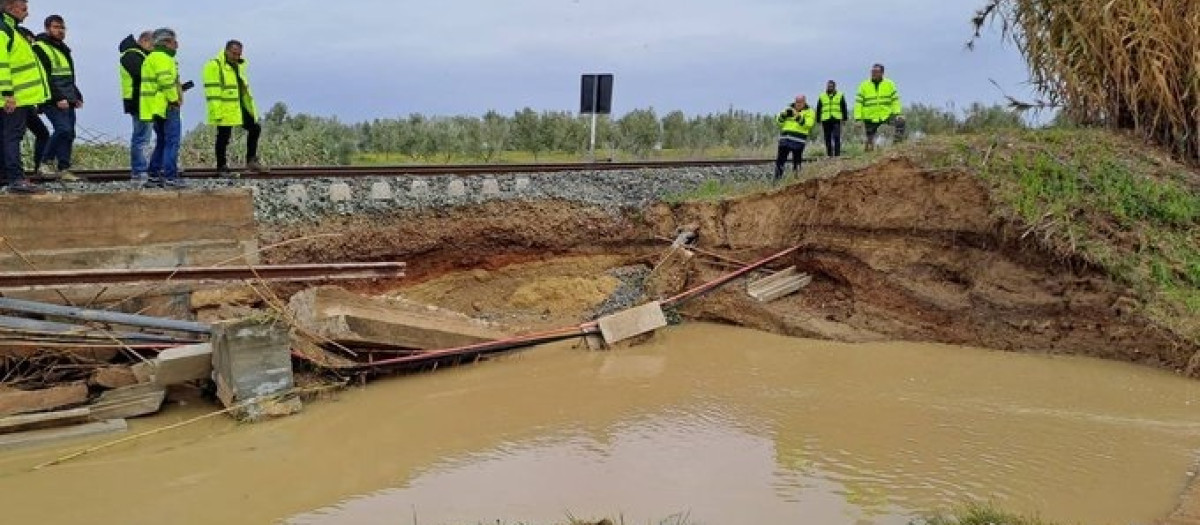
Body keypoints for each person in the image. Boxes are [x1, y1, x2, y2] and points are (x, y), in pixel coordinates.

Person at [0, 0, 49, 194]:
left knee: (7, 136)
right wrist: (7, 95)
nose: (27, 13)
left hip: (19, 98)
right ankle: (16, 180)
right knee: (12, 137)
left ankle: (6, 177)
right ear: (9, 8)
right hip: (14, 98)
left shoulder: (12, 30)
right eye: (24, 9)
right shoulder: (5, 31)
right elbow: (2, 65)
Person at [204, 39, 266, 177]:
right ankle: (221, 166)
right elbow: (212, 90)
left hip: (238, 106)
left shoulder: (239, 65)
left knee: (255, 128)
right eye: (234, 53)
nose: (236, 57)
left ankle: (251, 160)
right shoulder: (214, 65)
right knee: (223, 137)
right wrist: (217, 111)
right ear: (226, 51)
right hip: (224, 108)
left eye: (239, 54)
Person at [31, 14, 82, 181]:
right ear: (47, 28)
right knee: (63, 129)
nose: (60, 31)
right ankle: (44, 163)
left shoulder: (62, 48)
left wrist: (76, 94)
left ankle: (64, 168)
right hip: (52, 98)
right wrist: (57, 98)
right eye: (56, 27)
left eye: (62, 27)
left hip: (68, 98)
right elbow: (45, 76)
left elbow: (67, 76)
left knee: (69, 134)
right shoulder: (40, 47)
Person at [140, 27, 183, 188]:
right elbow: (166, 81)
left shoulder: (150, 58)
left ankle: (153, 176)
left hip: (155, 108)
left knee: (162, 142)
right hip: (166, 106)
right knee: (172, 142)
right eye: (174, 42)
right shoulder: (163, 58)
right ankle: (170, 178)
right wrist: (174, 99)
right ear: (165, 42)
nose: (177, 45)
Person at [119, 31, 152, 182]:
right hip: (138, 101)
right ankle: (139, 170)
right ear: (145, 41)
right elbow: (142, 76)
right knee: (141, 138)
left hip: (143, 101)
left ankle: (141, 169)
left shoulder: (139, 55)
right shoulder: (132, 55)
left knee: (143, 137)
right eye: (153, 44)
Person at [855, 63, 905, 152]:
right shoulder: (863, 85)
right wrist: (858, 119)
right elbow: (858, 103)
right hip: (870, 118)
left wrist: (897, 113)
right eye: (872, 71)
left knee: (901, 120)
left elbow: (895, 100)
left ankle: (897, 146)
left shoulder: (890, 84)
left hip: (886, 115)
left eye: (876, 71)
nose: (873, 73)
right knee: (869, 148)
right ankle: (869, 151)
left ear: (882, 73)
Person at [16, 25, 46, 169]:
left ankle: (38, 167)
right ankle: (11, 172)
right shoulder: (16, 54)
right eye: (29, 41)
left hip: (26, 103)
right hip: (15, 102)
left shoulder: (31, 56)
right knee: (13, 137)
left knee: (42, 133)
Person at [774, 95, 815, 182]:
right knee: (780, 162)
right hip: (785, 140)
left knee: (797, 162)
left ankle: (797, 181)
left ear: (804, 102)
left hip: (798, 141)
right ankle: (776, 181)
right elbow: (779, 122)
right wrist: (784, 115)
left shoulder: (809, 111)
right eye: (797, 102)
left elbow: (809, 124)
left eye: (800, 102)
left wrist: (797, 117)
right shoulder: (788, 109)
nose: (798, 104)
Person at [815, 80, 848, 157]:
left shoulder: (840, 95)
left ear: (834, 87)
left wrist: (845, 118)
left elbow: (844, 107)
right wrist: (818, 119)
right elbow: (819, 108)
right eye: (828, 86)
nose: (829, 87)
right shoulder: (822, 96)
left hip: (836, 119)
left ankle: (837, 155)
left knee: (836, 137)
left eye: (831, 86)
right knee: (827, 138)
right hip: (826, 119)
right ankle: (829, 154)